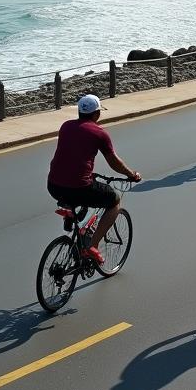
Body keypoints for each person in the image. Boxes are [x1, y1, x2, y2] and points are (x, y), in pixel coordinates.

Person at [46, 94, 141, 266]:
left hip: (53, 185)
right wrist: (131, 174)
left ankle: (70, 213)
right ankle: (91, 246)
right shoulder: (99, 133)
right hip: (79, 187)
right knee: (114, 201)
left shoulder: (66, 126)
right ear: (96, 114)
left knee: (77, 195)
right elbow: (113, 162)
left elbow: (73, 154)